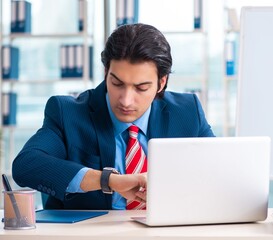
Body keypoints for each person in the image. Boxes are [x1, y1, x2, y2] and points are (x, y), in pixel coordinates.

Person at [12, 23, 215, 210]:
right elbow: (26, 165)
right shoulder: (68, 113)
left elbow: (219, 170)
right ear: (106, 72)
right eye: (117, 83)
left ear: (161, 83)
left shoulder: (188, 112)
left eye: (141, 88)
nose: (126, 100)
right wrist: (107, 180)